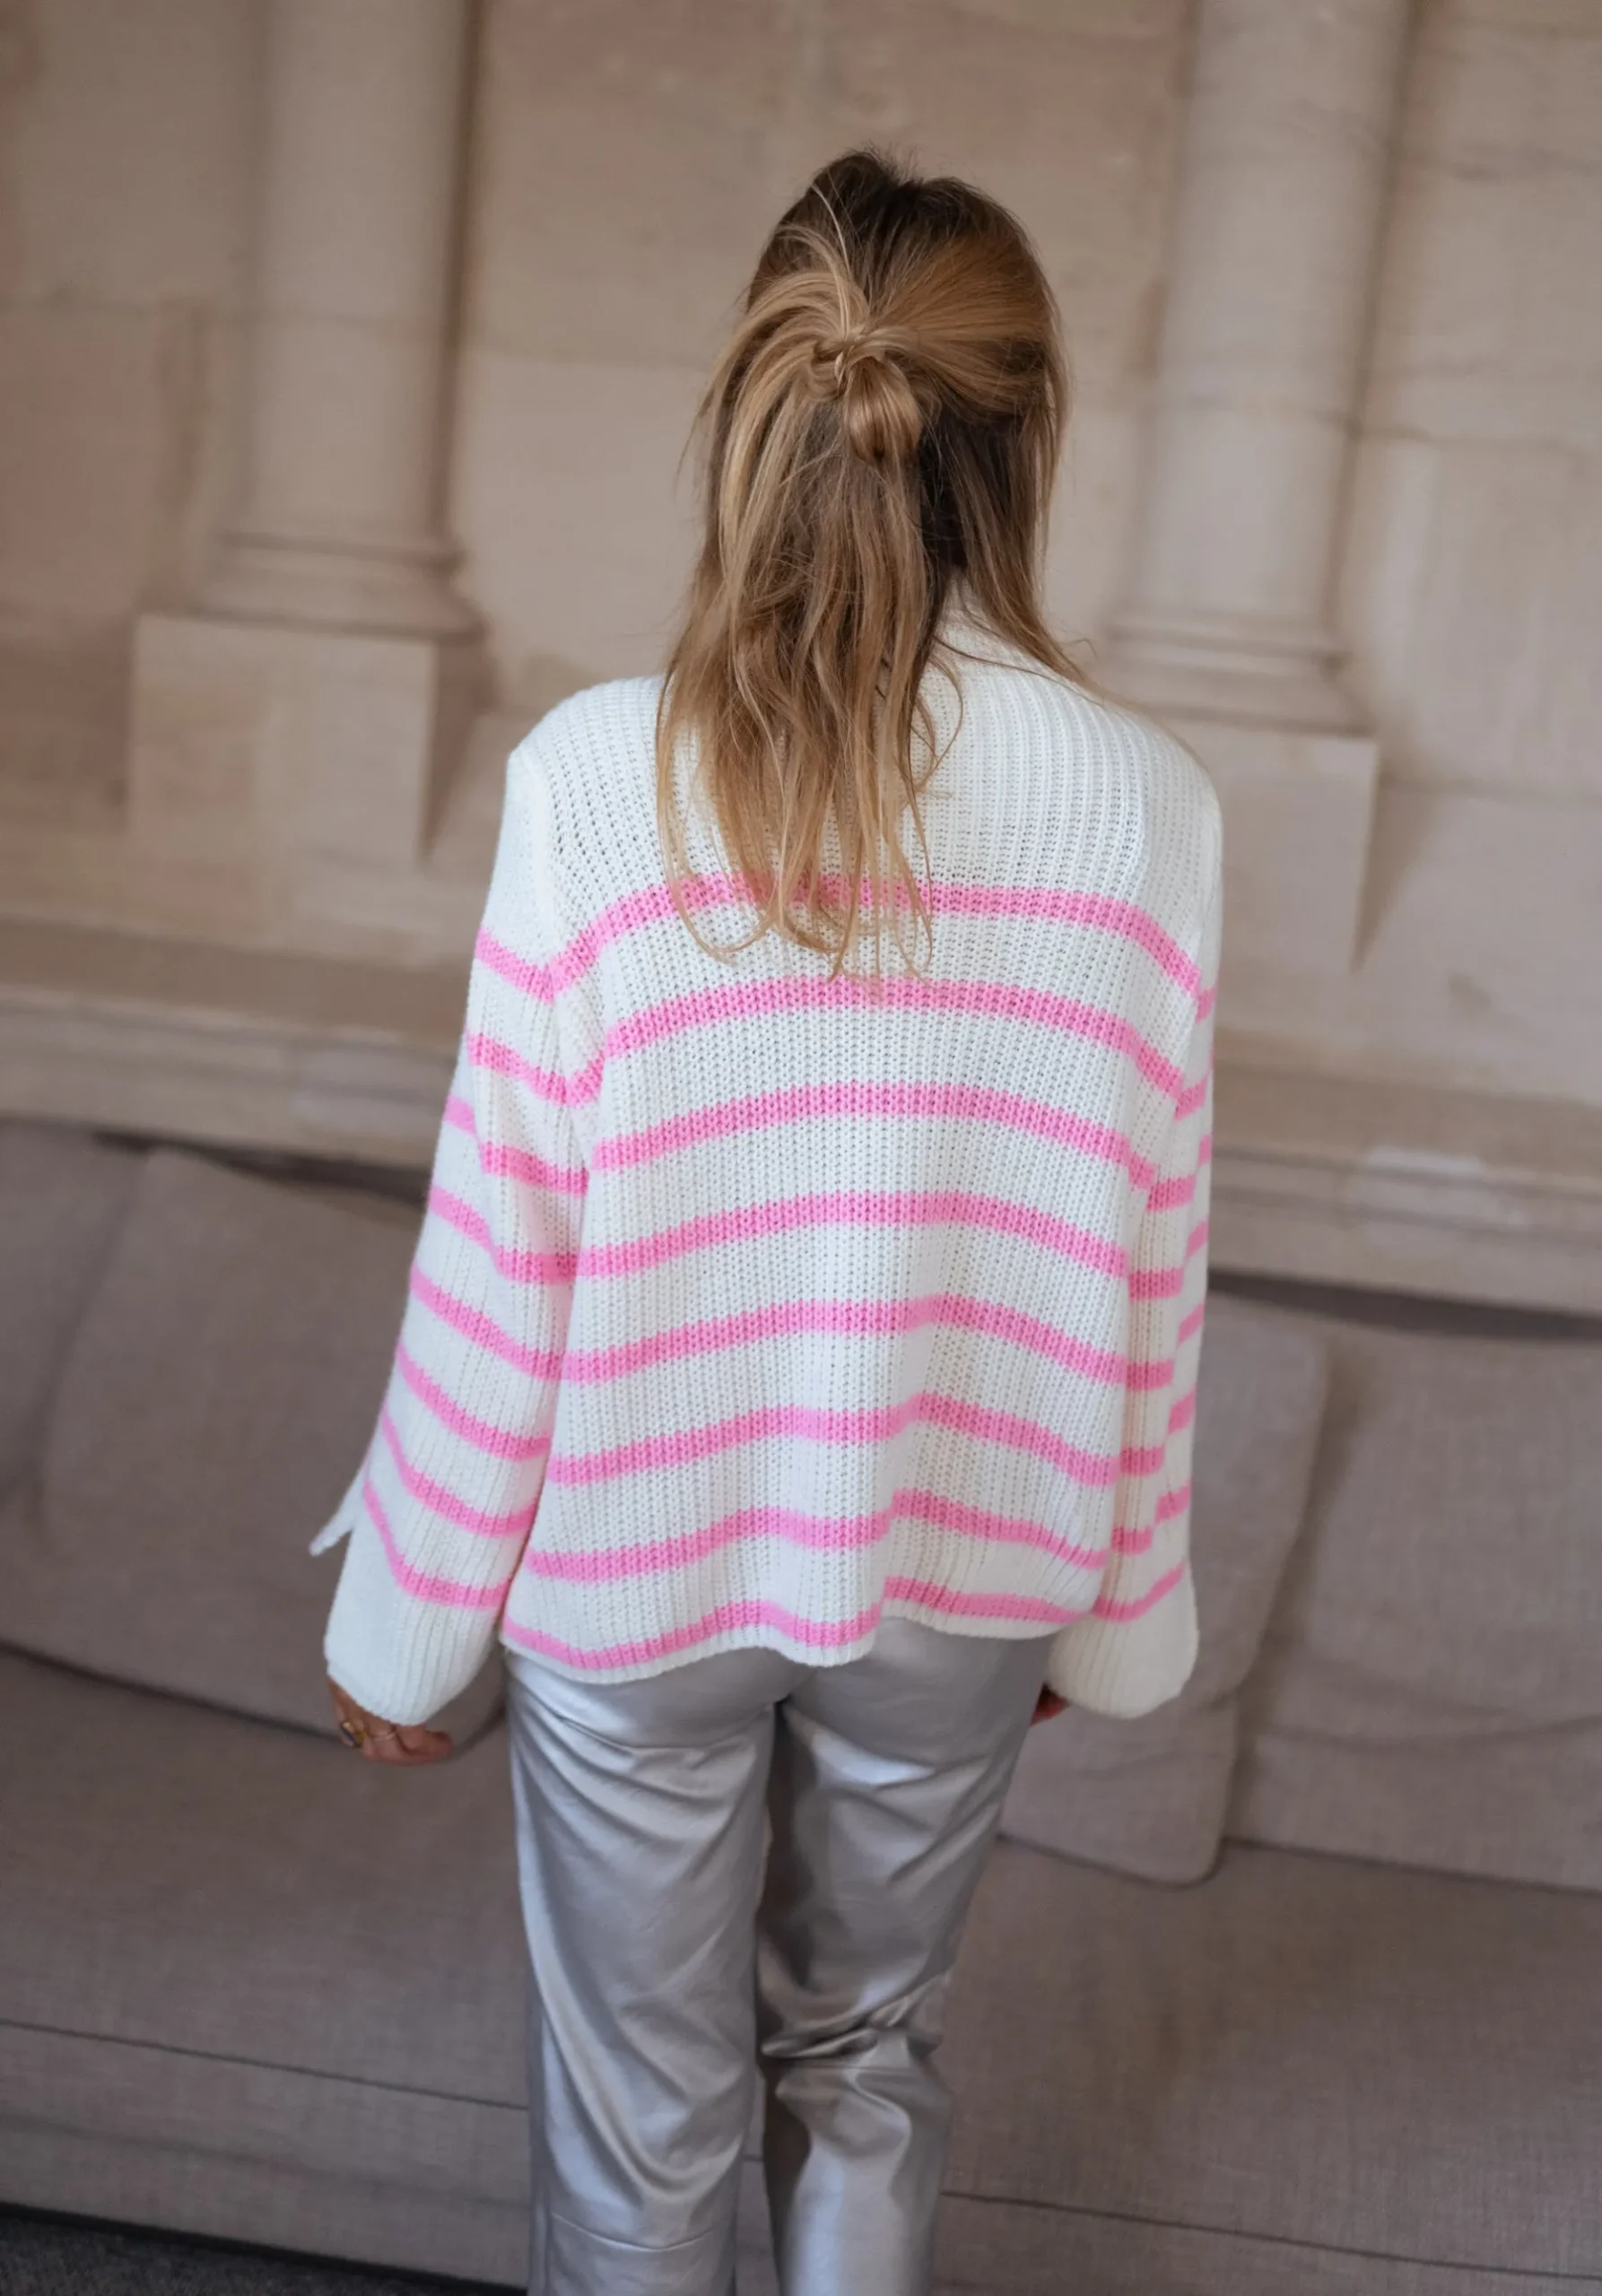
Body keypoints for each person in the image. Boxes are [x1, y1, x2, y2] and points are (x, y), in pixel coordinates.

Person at [313, 147, 1221, 2296]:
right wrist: (1106, 1594)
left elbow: (503, 1239)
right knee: (869, 2057)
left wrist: (410, 1619)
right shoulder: (1147, 810)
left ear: (753, 401)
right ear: (1026, 435)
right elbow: (1148, 1240)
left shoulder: (588, 779)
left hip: (632, 1567)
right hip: (964, 1557)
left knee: (638, 2127)